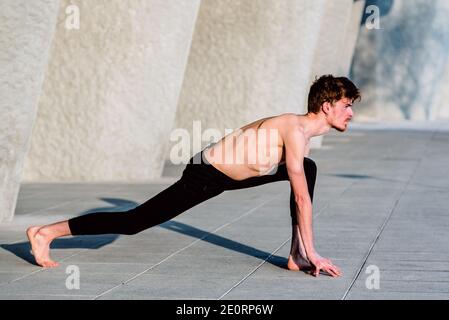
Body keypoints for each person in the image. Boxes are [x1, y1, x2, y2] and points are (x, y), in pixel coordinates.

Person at [27, 74, 360, 277]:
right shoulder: (293, 127)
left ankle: (294, 255)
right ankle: (47, 232)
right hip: (206, 174)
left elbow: (263, 148)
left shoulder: (300, 136)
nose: (351, 112)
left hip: (229, 175)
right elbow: (301, 197)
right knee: (133, 222)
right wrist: (316, 252)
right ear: (327, 105)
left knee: (307, 169)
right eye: (347, 105)